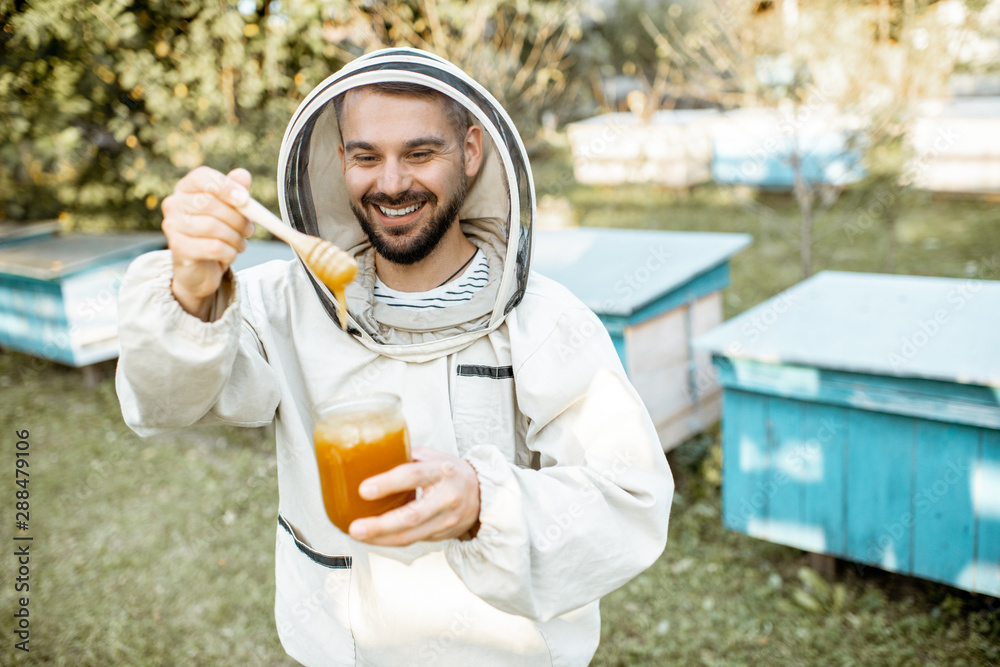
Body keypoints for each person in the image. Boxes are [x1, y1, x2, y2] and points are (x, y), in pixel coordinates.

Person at [117, 48, 673, 666]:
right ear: (340, 161)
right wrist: (192, 288)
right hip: (341, 649)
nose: (390, 183)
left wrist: (482, 504)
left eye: (419, 153)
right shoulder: (282, 306)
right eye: (366, 157)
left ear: (470, 150)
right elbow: (166, 405)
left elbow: (630, 500)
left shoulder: (548, 321)